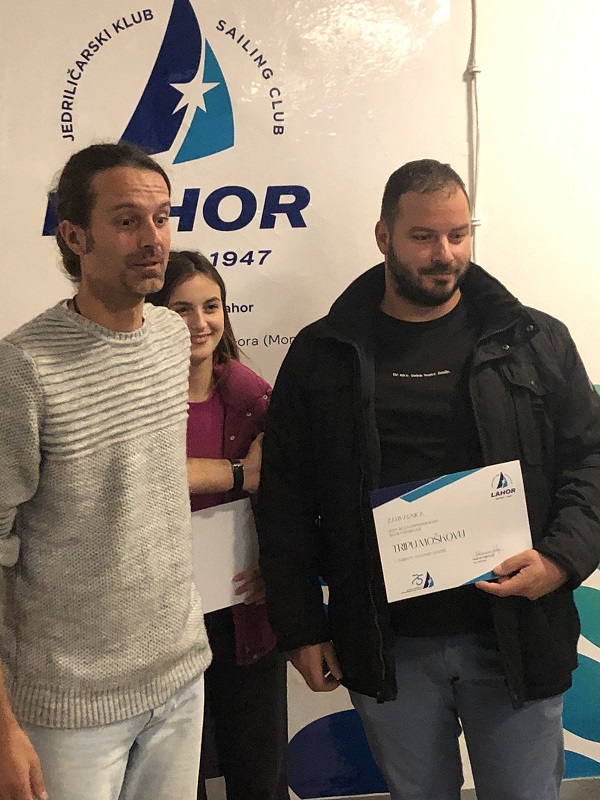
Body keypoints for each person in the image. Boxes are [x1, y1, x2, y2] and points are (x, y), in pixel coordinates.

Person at [256, 159, 600, 800]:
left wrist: (559, 560)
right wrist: (301, 628)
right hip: (388, 642)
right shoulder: (324, 352)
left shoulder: (532, 340)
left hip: (515, 630)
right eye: (423, 237)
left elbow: (591, 460)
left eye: (458, 234)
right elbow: (285, 501)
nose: (444, 254)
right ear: (383, 236)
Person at [0, 143, 211, 800]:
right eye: (126, 221)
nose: (153, 239)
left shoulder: (171, 337)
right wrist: (3, 725)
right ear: (74, 237)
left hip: (179, 675)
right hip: (69, 705)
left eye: (162, 218)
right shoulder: (23, 368)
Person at [147, 250, 289, 800]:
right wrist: (234, 472)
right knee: (177, 783)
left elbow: (289, 500)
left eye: (211, 306)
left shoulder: (255, 399)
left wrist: (274, 567)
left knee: (260, 779)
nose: (199, 323)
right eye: (181, 309)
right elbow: (140, 474)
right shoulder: (131, 401)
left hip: (242, 616)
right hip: (160, 622)